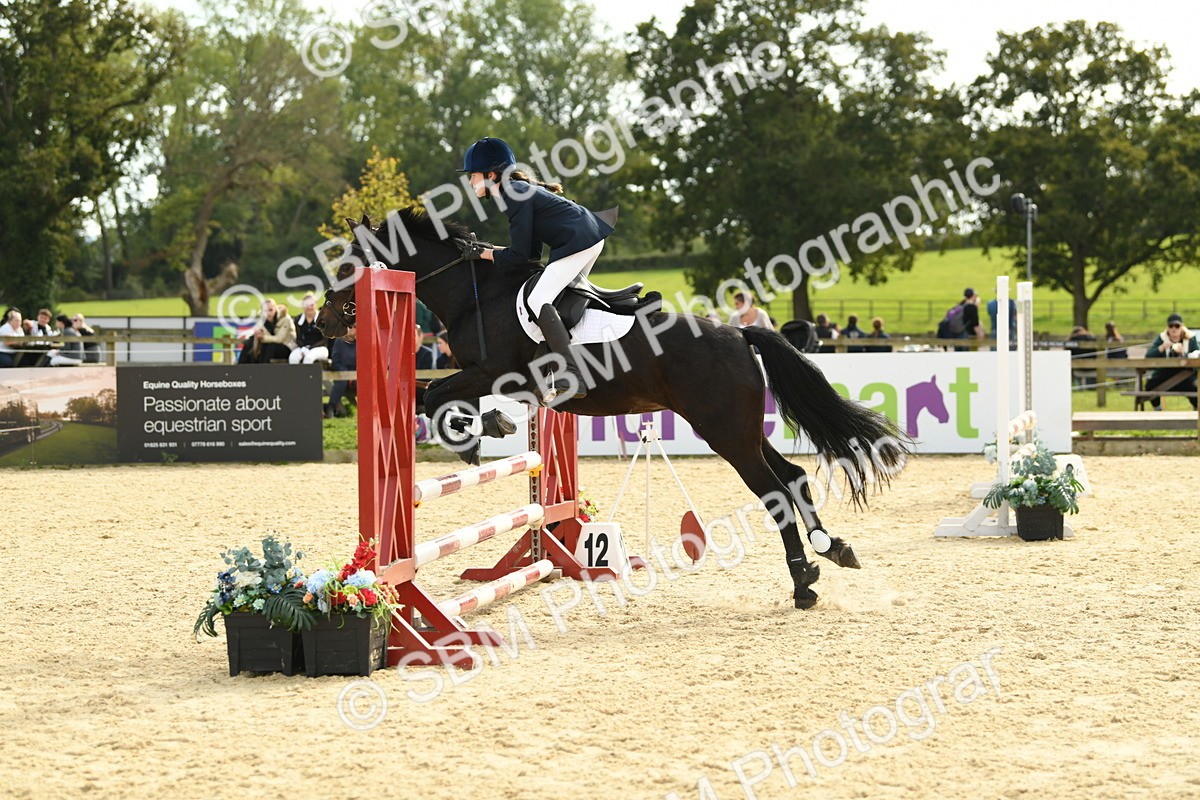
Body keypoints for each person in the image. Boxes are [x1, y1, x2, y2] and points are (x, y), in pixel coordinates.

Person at [464, 136, 614, 401]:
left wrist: (484, 254)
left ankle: (573, 374)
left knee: (537, 299)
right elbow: (530, 255)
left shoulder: (512, 194)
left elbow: (521, 255)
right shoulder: (515, 190)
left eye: (472, 175)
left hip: (579, 242)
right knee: (554, 301)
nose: (469, 181)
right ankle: (545, 373)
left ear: (490, 174)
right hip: (589, 238)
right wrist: (489, 253)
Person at [1144, 313, 1199, 410]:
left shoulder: (1191, 339)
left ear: (1182, 327)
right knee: (1149, 386)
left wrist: (1183, 354)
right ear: (1167, 327)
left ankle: (1196, 413)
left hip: (1186, 375)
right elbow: (1148, 357)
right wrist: (1162, 348)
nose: (1174, 329)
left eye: (1177, 326)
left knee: (1195, 387)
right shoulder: (1161, 339)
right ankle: (1158, 411)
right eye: (1171, 326)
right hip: (1164, 374)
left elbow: (1197, 357)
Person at [238, 298, 296, 364]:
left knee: (268, 347)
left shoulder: (286, 319)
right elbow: (257, 332)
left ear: (275, 308)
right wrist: (254, 336)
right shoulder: (262, 320)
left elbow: (279, 339)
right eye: (265, 311)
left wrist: (263, 337)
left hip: (287, 346)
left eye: (270, 310)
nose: (268, 313)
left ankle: (262, 370)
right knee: (249, 343)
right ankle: (241, 368)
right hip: (270, 344)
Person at [326, 325, 357, 418]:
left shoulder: (362, 340)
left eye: (354, 327)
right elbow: (335, 360)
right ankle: (331, 407)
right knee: (341, 381)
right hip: (342, 370)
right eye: (349, 327)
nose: (351, 329)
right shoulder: (339, 341)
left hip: (357, 371)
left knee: (362, 381)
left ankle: (366, 410)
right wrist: (344, 372)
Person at [289, 293, 330, 364]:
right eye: (306, 305)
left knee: (308, 358)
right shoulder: (298, 320)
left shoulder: (323, 319)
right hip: (304, 348)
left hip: (320, 348)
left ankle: (307, 375)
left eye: (311, 305)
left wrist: (310, 348)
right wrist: (303, 348)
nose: (309, 308)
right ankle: (295, 375)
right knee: (293, 358)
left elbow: (324, 340)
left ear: (315, 305)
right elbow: (298, 338)